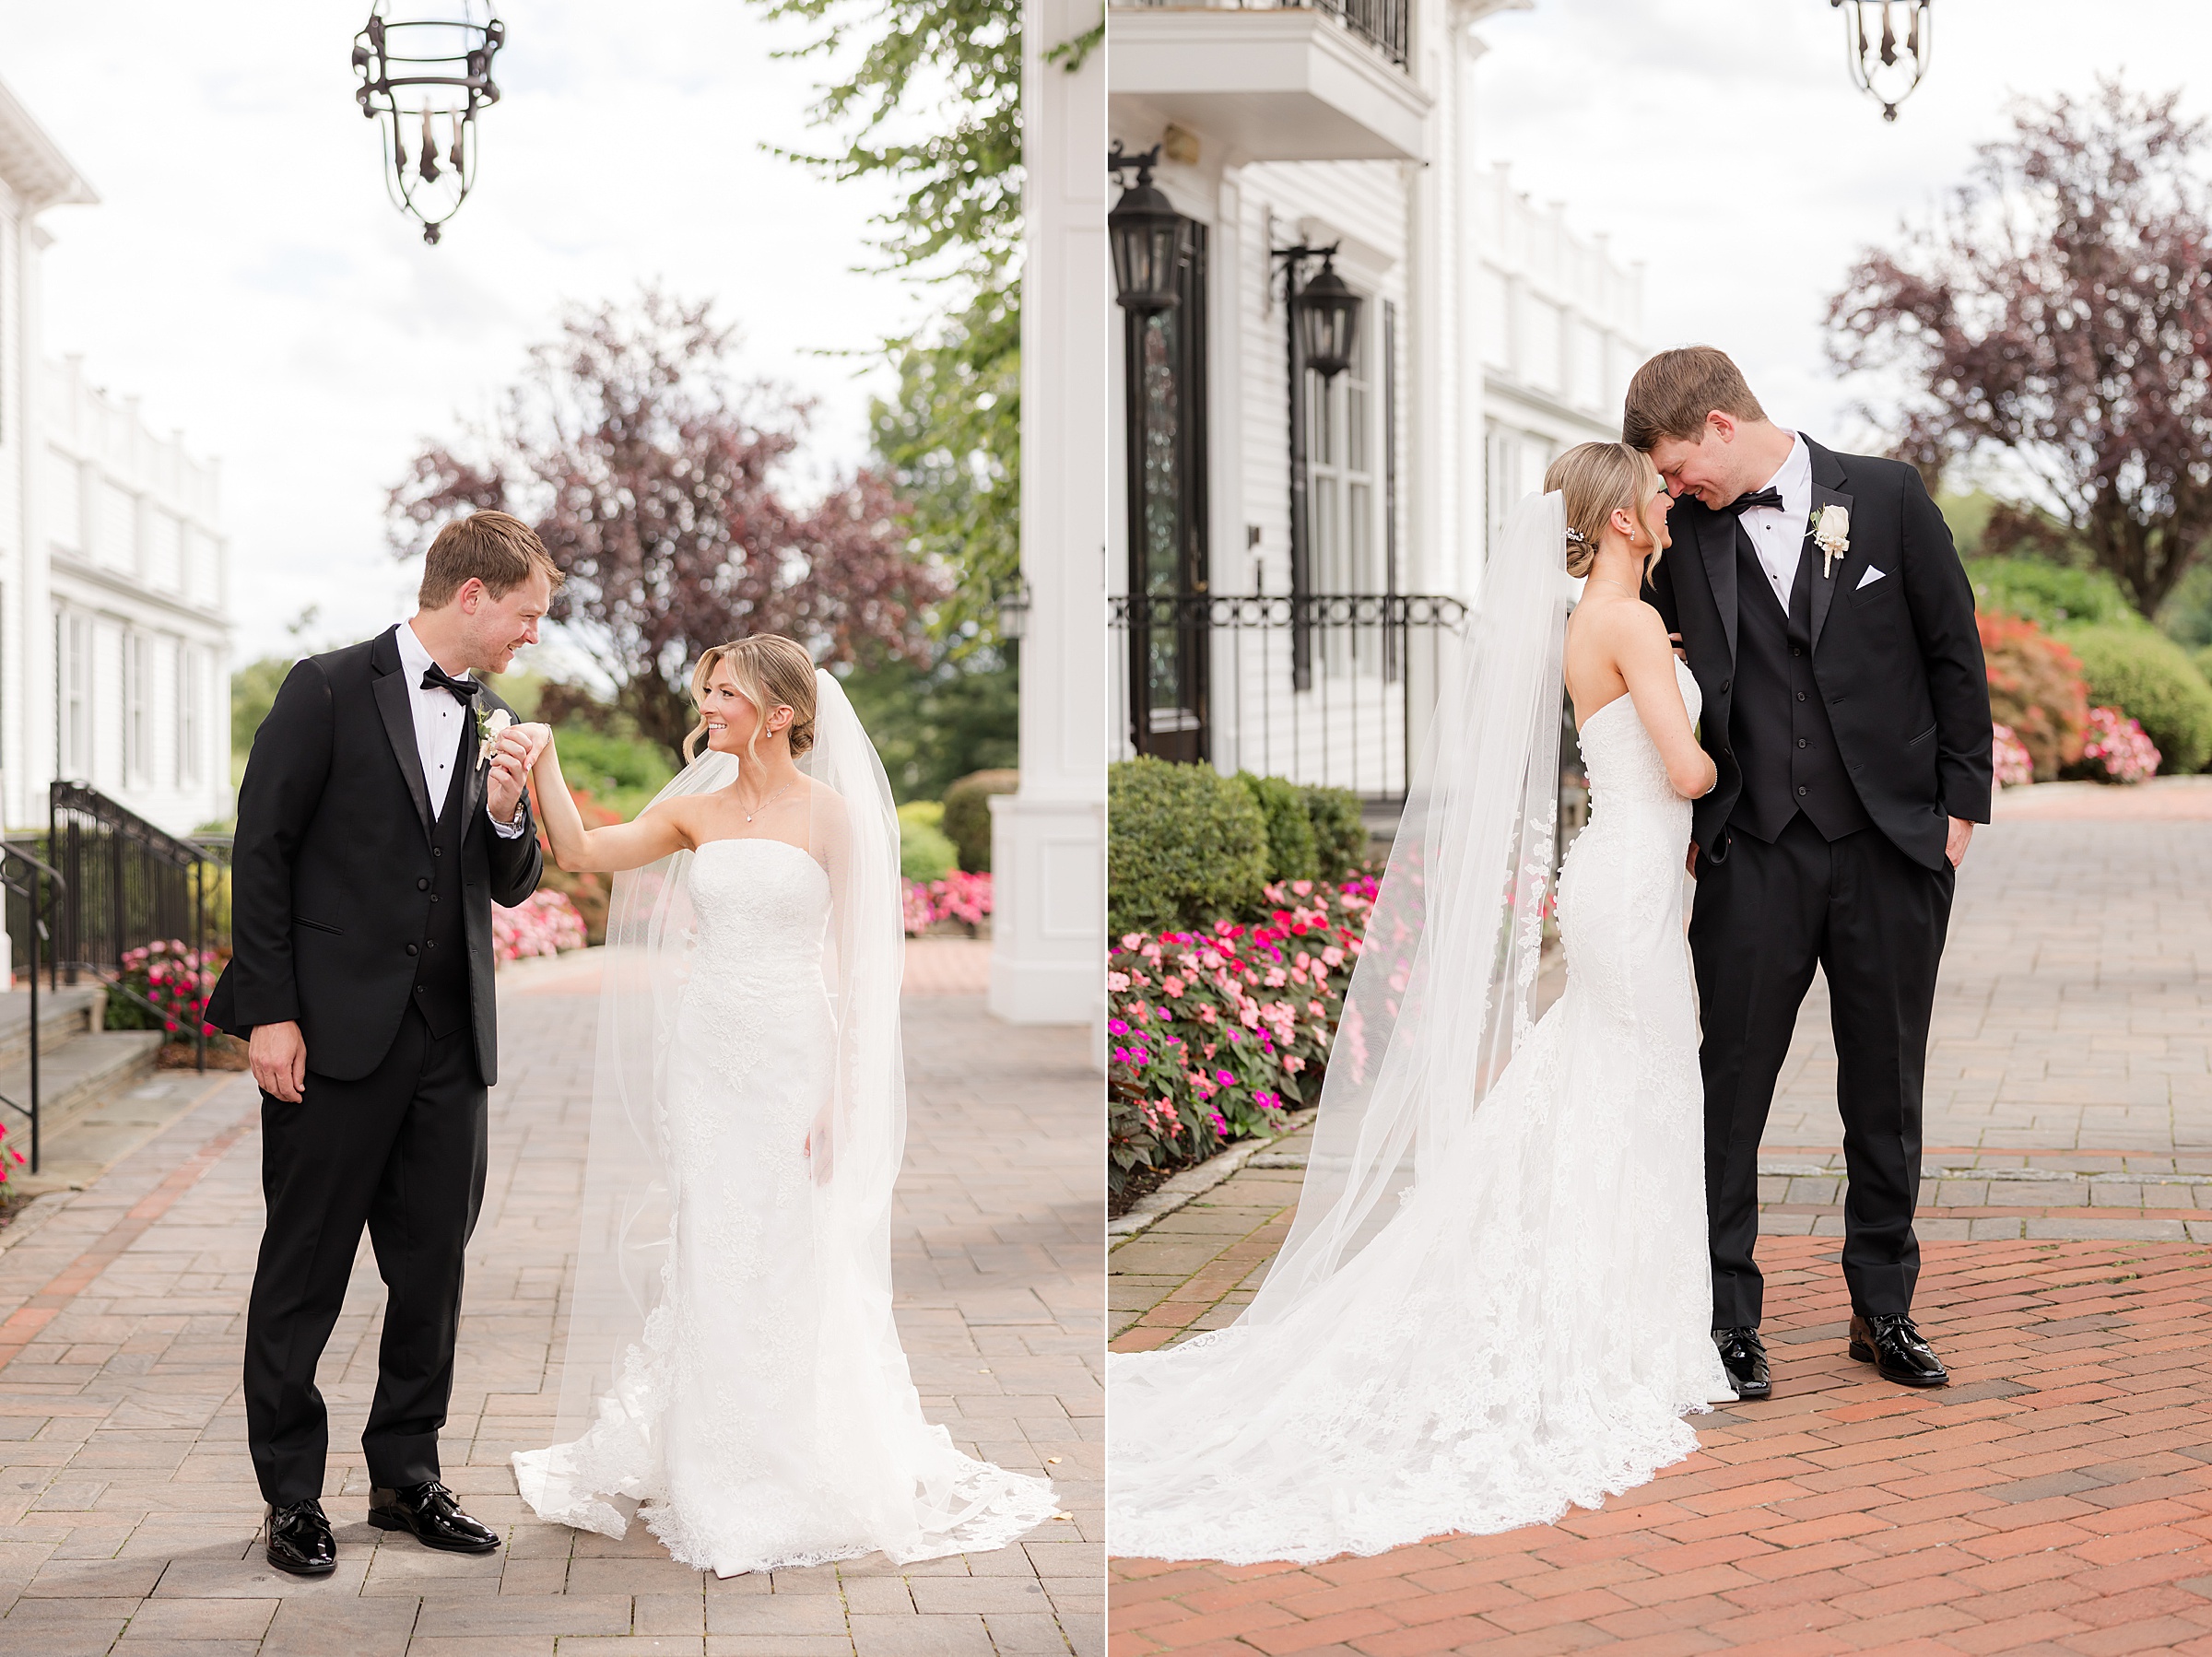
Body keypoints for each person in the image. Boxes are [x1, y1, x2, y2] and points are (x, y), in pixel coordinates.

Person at [1106, 451, 1729, 1566]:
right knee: (1637, 1088)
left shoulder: (1594, 620)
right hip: (1633, 878)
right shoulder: (1632, 627)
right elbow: (1684, 775)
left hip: (1610, 880)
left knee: (1601, 1084)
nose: (1670, 503)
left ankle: (1618, 1320)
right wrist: (1715, 741)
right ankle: (1624, 1335)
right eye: (1657, 490)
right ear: (1621, 515)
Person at [511, 635, 1054, 1576]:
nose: (707, 705)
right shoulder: (699, 810)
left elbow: (860, 970)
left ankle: (795, 1450)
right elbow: (583, 849)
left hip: (793, 1055)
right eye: (708, 690)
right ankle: (711, 1455)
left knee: (790, 1244)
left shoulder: (834, 818)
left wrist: (844, 1095)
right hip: (707, 1059)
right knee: (714, 1240)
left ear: (780, 712)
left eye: (723, 692)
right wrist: (546, 763)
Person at [1625, 346, 1992, 1399]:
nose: (1674, 485)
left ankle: (1884, 1308)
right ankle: (1726, 1318)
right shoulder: (1681, 532)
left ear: (1723, 425)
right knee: (1728, 1087)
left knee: (1886, 1086)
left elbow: (1953, 655)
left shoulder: (1885, 496)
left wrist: (1957, 816)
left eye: (1681, 464)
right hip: (1755, 853)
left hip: (1891, 850)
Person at [207, 510, 556, 1577]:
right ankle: (293, 1497)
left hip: (449, 1044)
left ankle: (407, 1478)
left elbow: (508, 880)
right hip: (327, 1037)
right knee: (303, 1269)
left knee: (432, 1270)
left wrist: (503, 807)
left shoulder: (492, 714)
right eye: (528, 616)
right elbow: (260, 851)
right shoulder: (323, 687)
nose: (532, 638)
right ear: (472, 596)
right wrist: (270, 1011)